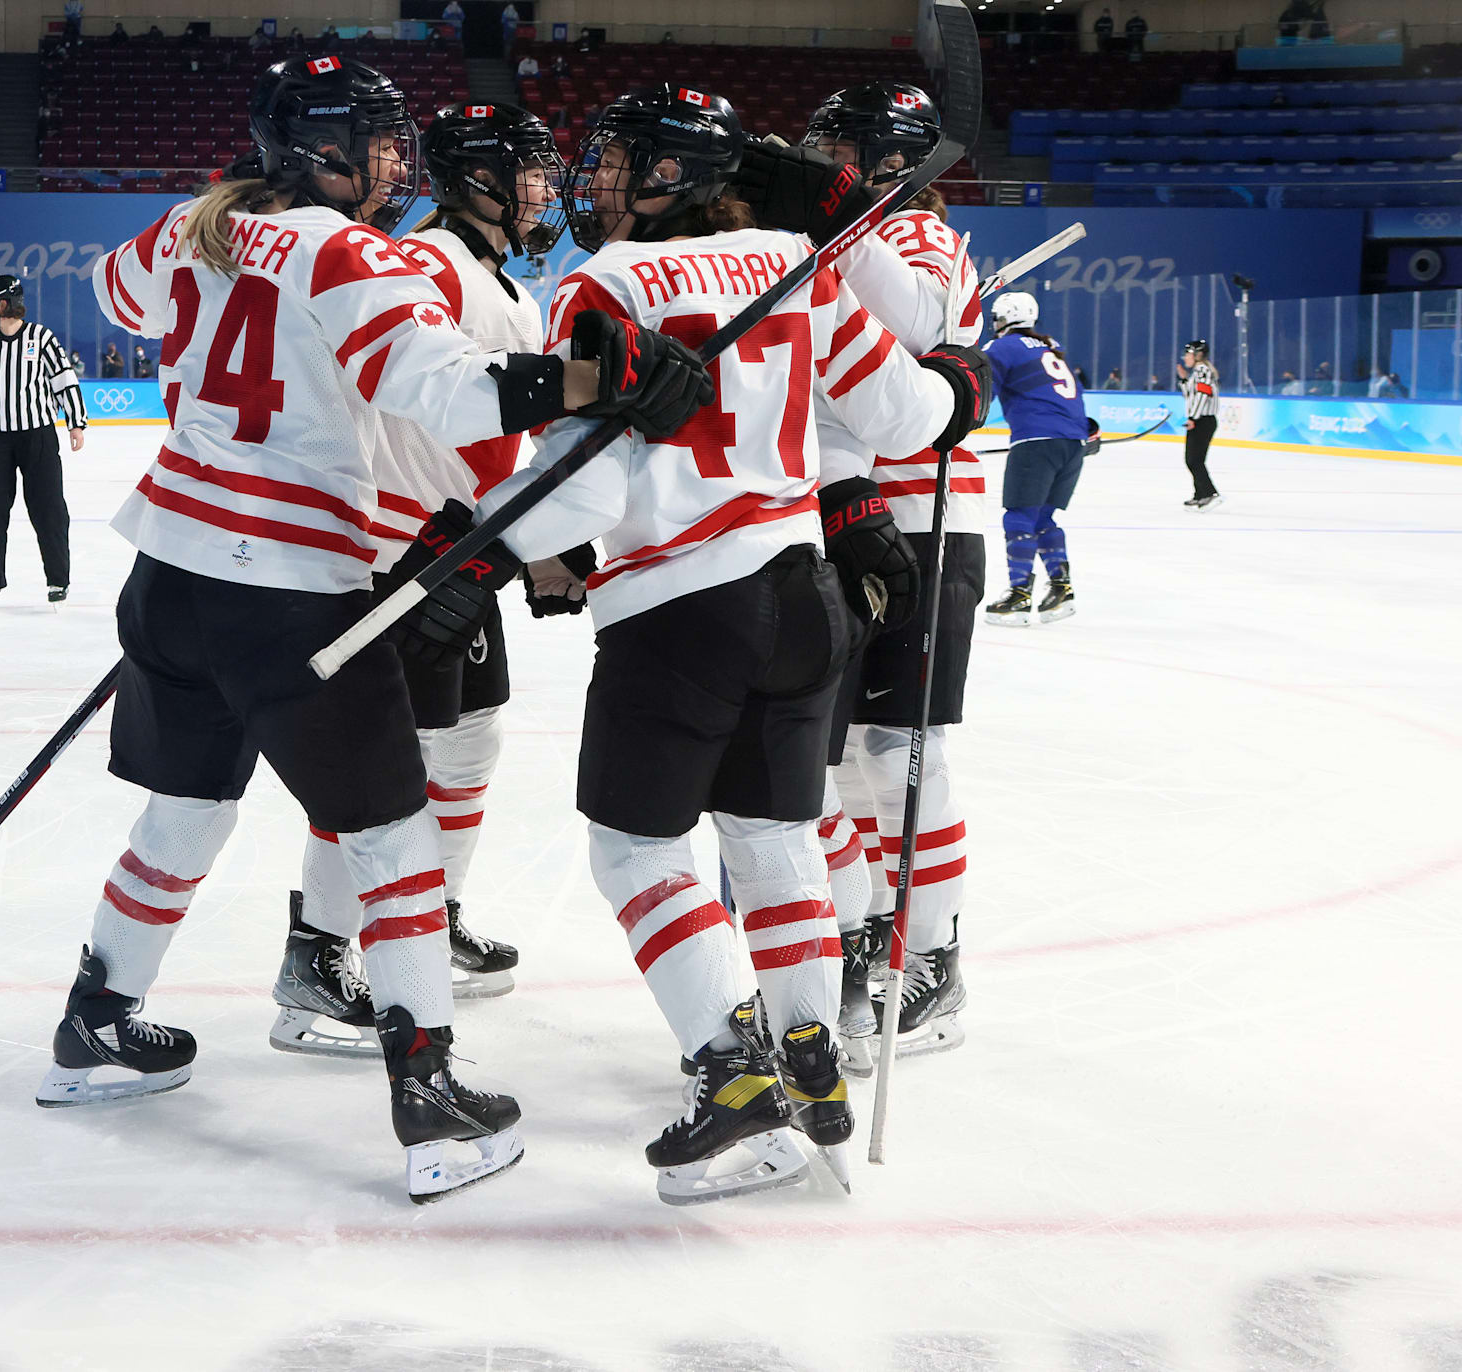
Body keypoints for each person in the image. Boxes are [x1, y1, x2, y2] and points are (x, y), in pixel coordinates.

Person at [73, 54, 689, 1202]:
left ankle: (96, 1020)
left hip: (170, 571)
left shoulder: (187, 231)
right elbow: (450, 394)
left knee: (185, 809)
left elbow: (111, 291)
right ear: (323, 147)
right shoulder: (353, 253)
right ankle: (430, 1095)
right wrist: (593, 381)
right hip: (290, 588)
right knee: (397, 840)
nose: (400, 163)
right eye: (381, 141)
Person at [472, 85, 988, 1203]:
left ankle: (733, 1076)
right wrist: (956, 388)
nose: (595, 181)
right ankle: (809, 1061)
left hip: (679, 611)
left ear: (673, 176)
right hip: (803, 595)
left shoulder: (604, 282)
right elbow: (907, 415)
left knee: (634, 849)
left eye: (620, 162)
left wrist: (483, 551)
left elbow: (583, 487)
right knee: (774, 833)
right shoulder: (794, 264)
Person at [271, 103, 568, 1059]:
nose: (542, 188)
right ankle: (316, 953)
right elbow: (400, 397)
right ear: (474, 176)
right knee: (386, 764)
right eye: (523, 169)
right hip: (406, 550)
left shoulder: (511, 290)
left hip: (463, 546)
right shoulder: (429, 263)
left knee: (469, 741)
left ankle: (431, 913)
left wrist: (524, 536)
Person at [736, 79, 990, 1072]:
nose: (820, 156)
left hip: (923, 521)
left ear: (891, 162)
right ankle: (863, 927)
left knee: (897, 751)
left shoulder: (918, 237)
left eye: (840, 146)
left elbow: (921, 320)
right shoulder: (811, 243)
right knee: (832, 761)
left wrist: (837, 216)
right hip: (829, 515)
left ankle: (930, 954)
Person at [0, 273, 88, 605]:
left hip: (38, 436)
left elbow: (64, 379)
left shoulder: (41, 338)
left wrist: (76, 422)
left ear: (3, 304)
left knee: (48, 509)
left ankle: (58, 580)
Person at [981, 293, 1097, 627]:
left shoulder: (1002, 348)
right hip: (1073, 442)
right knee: (1043, 517)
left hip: (1036, 442)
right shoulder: (1051, 348)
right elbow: (1074, 397)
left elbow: (981, 389)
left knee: (1018, 516)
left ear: (1003, 319)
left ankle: (1019, 595)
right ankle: (1061, 589)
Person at [1181, 338, 1222, 509]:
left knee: (1194, 460)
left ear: (1197, 355)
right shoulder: (1197, 372)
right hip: (1200, 420)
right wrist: (1183, 380)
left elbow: (1202, 395)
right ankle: (1199, 494)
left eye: (1188, 354)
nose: (1185, 358)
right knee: (1193, 459)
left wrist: (1193, 418)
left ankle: (1209, 492)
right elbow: (1190, 396)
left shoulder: (1202, 371)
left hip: (1202, 420)